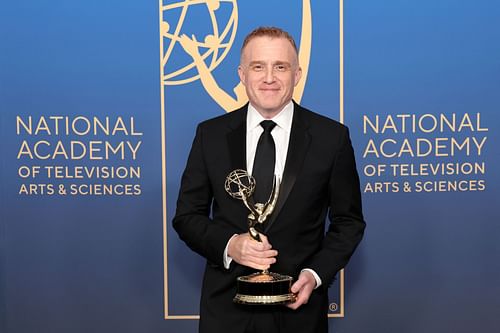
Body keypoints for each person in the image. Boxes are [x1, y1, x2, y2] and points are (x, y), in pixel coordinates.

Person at [173, 26, 365, 333]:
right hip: (226, 311)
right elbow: (186, 216)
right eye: (258, 66)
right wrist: (230, 245)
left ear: (297, 74)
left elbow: (349, 222)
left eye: (281, 66)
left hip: (298, 311)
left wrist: (314, 274)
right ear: (241, 74)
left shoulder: (331, 138)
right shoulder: (210, 135)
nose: (269, 78)